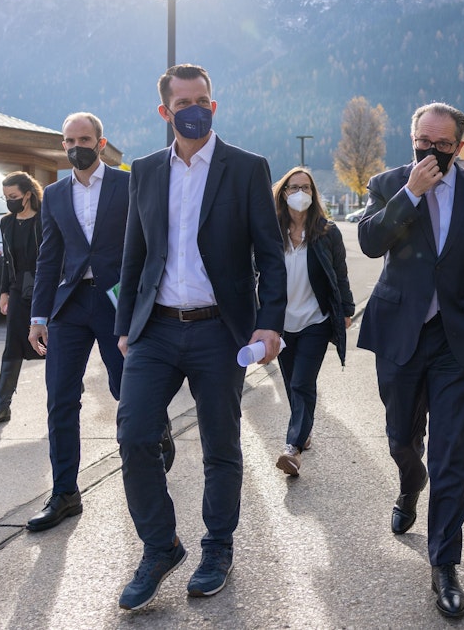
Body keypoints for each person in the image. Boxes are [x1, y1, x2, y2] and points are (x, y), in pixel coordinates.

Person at [114, 64, 287, 611]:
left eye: (204, 100)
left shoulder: (246, 167)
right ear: (165, 111)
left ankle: (218, 547)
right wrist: (125, 327)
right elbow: (134, 253)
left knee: (220, 445)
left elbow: (269, 253)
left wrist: (270, 321)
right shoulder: (144, 170)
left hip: (220, 330)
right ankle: (160, 546)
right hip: (155, 330)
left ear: (213, 105)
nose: (195, 108)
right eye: (184, 101)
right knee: (135, 435)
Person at [358, 101, 464, 619]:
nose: (432, 152)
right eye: (423, 141)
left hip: (456, 339)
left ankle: (444, 562)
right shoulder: (388, 183)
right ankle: (408, 484)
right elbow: (370, 242)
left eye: (443, 145)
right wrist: (411, 194)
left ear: (459, 146)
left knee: (451, 454)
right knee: (402, 438)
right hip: (400, 330)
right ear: (413, 136)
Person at [26, 113, 167, 532]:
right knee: (60, 399)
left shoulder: (129, 183)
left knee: (127, 389)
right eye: (69, 140)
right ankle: (65, 493)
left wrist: (146, 303)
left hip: (117, 302)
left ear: (101, 143)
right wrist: (38, 316)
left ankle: (153, 440)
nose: (75, 147)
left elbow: (151, 243)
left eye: (84, 139)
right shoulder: (53, 194)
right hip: (69, 306)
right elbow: (49, 256)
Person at [271, 166, 354, 477]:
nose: (300, 194)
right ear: (283, 193)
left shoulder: (327, 232)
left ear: (314, 194)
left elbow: (340, 274)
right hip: (281, 324)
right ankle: (304, 431)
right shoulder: (271, 231)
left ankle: (292, 448)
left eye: (306, 188)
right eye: (293, 187)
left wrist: (346, 309)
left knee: (302, 383)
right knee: (293, 384)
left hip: (315, 322)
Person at [0, 172, 44, 424]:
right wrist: (4, 292)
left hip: (43, 288)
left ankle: (71, 387)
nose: (9, 201)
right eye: (5, 197)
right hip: (18, 289)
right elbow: (7, 261)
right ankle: (2, 406)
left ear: (27, 195)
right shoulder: (6, 223)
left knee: (53, 343)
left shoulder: (44, 220)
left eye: (13, 196)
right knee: (13, 345)